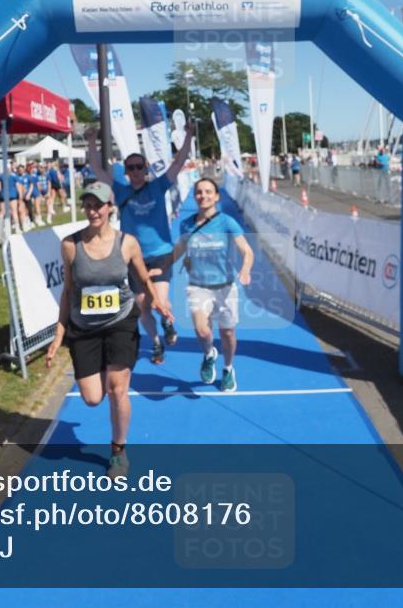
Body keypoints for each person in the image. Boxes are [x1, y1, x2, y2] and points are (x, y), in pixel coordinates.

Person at [45, 182, 173, 479]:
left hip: (120, 323)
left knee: (118, 390)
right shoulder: (70, 245)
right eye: (88, 205)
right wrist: (58, 335)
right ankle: (101, 370)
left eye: (98, 205)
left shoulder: (126, 243)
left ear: (109, 208)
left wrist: (158, 304)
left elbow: (142, 278)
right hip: (85, 328)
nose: (93, 211)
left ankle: (118, 451)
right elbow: (67, 291)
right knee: (92, 398)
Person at [86, 122, 196, 364]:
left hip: (161, 253)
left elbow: (178, 163)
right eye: (130, 167)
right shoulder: (120, 189)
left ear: (145, 168)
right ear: (126, 171)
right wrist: (92, 141)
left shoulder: (158, 185)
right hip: (133, 256)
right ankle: (156, 342)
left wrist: (188, 136)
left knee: (159, 300)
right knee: (142, 305)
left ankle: (167, 321)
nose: (135, 171)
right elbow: (96, 167)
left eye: (139, 166)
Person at [165, 178, 253, 391]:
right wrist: (160, 267)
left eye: (208, 192)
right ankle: (209, 354)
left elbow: (247, 251)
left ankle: (228, 368)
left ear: (216, 196)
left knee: (228, 334)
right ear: (195, 196)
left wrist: (245, 269)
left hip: (225, 286)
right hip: (197, 286)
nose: (203, 196)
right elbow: (179, 250)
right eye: (199, 192)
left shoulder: (227, 222)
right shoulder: (187, 224)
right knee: (203, 332)